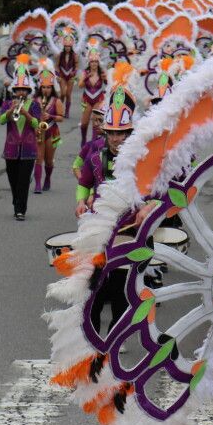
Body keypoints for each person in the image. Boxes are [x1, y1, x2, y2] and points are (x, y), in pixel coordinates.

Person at [74, 63, 137, 336]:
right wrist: (80, 201)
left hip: (129, 230)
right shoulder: (96, 154)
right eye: (112, 132)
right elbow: (84, 182)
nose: (117, 139)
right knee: (96, 289)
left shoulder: (140, 158)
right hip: (99, 228)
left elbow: (155, 193)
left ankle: (114, 336)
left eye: (122, 133)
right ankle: (95, 336)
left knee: (123, 291)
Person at [0, 55, 42, 222]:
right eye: (18, 89)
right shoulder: (7, 104)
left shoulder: (34, 105)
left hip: (29, 149)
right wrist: (11, 111)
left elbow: (37, 123)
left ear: (28, 91)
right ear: (14, 91)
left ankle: (20, 209)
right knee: (13, 180)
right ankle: (17, 201)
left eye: (24, 89)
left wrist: (25, 112)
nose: (21, 92)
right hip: (10, 149)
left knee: (23, 181)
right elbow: (2, 120)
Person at [32, 59, 65, 194]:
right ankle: (38, 184)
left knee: (49, 160)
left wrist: (50, 117)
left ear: (52, 88)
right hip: (39, 131)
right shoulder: (35, 101)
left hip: (52, 131)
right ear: (40, 87)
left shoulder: (56, 101)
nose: (46, 90)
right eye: (44, 87)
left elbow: (61, 118)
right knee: (38, 158)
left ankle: (48, 179)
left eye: (48, 87)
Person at [78, 42, 107, 145]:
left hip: (98, 99)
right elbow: (80, 85)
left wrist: (106, 79)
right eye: (92, 62)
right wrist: (86, 77)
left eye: (95, 62)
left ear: (98, 62)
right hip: (87, 99)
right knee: (84, 124)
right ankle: (83, 140)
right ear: (89, 63)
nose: (94, 64)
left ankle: (94, 143)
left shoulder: (101, 73)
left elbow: (108, 85)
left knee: (95, 122)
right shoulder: (85, 73)